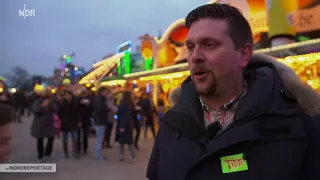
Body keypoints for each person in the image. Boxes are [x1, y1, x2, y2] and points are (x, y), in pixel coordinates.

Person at [147, 4, 320, 180]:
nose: (195, 57)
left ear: (244, 55)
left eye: (209, 44)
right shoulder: (172, 124)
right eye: (191, 47)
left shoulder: (298, 123)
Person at [30, 90, 56, 163]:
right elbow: (35, 110)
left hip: (49, 122)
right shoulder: (37, 101)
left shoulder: (52, 101)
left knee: (51, 138)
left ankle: (48, 153)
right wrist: (42, 106)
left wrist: (50, 105)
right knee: (40, 139)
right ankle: (40, 155)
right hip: (40, 123)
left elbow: (56, 109)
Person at [58, 90, 79, 159]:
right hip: (65, 124)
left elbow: (78, 113)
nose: (68, 96)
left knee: (75, 139)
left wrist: (79, 121)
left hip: (73, 123)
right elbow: (59, 114)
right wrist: (62, 120)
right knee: (65, 139)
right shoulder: (62, 103)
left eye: (69, 95)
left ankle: (75, 153)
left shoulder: (75, 102)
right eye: (66, 95)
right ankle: (66, 153)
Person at [116, 91, 135, 163]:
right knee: (129, 141)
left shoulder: (124, 104)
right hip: (129, 124)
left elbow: (125, 116)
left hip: (124, 124)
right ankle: (131, 156)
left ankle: (124, 155)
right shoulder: (130, 103)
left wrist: (122, 126)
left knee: (123, 141)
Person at [93, 87, 109, 160]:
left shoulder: (100, 99)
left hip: (99, 121)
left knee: (100, 138)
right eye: (106, 92)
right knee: (100, 139)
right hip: (100, 121)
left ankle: (98, 154)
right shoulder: (100, 100)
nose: (107, 94)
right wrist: (107, 109)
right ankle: (98, 155)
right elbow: (100, 110)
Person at [77, 90, 93, 155]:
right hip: (79, 120)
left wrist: (88, 105)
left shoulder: (89, 100)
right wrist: (78, 120)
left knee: (85, 136)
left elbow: (91, 109)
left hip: (86, 120)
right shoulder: (77, 100)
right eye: (83, 93)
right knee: (78, 136)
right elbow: (76, 110)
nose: (84, 95)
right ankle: (78, 149)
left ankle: (85, 149)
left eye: (85, 93)